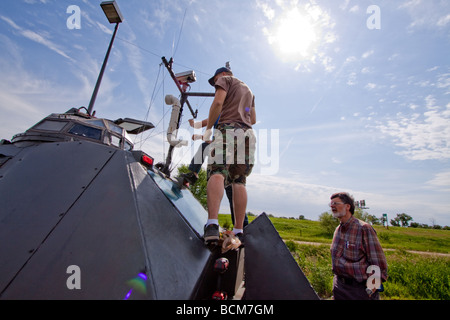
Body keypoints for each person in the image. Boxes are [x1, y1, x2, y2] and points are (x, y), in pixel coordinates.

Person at [202, 67, 256, 244]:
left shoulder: (226, 80)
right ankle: (239, 231)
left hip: (228, 129)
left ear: (223, 74)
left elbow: (217, 103)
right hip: (248, 134)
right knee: (238, 181)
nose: (215, 83)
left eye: (215, 79)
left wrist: (208, 129)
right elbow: (253, 118)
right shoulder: (248, 90)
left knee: (217, 171)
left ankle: (212, 225)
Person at [178, 117, 249, 228]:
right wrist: (193, 124)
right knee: (231, 191)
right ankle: (242, 228)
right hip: (223, 152)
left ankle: (242, 227)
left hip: (230, 154)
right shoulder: (217, 115)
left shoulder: (231, 116)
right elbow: (200, 125)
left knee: (232, 192)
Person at [329, 192, 388, 300]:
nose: (332, 206)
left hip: (359, 290)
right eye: (331, 204)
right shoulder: (338, 230)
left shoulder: (364, 228)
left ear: (347, 206)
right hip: (339, 287)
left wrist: (373, 284)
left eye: (336, 203)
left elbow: (378, 261)